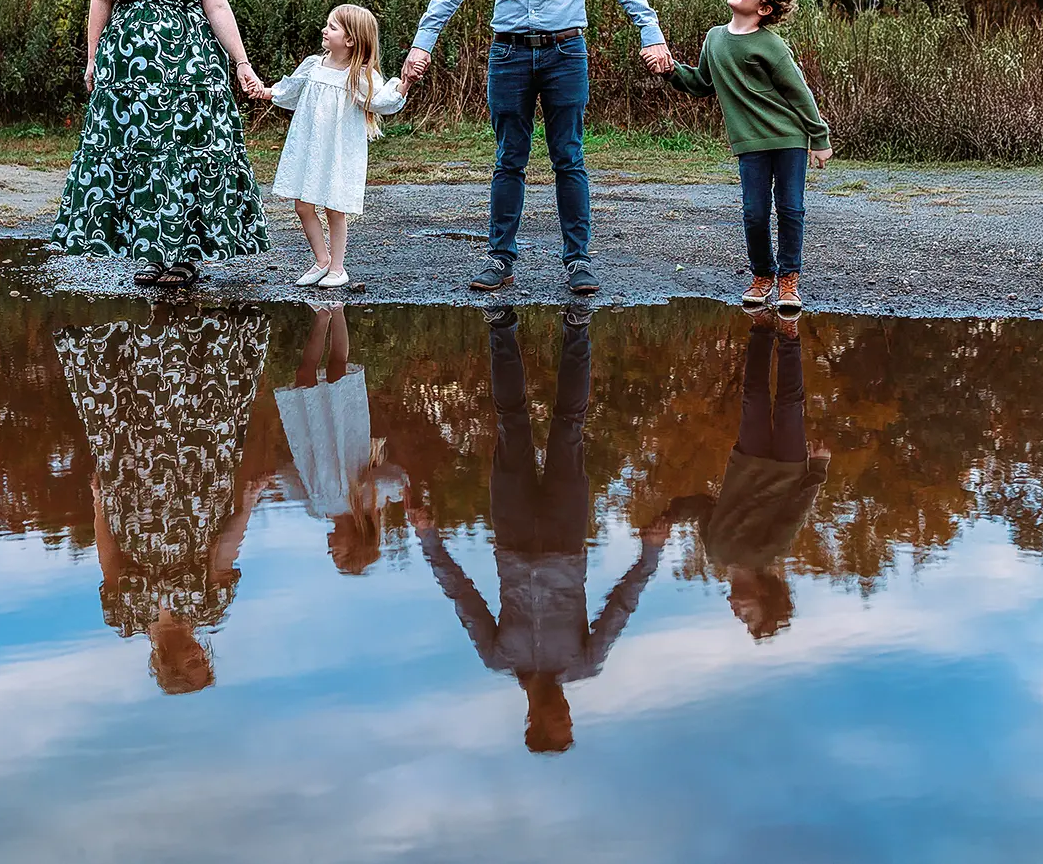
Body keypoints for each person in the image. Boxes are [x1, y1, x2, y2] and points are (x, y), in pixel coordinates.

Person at [400, 0, 672, 297]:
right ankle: (501, 259)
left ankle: (578, 261)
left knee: (569, 157)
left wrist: (650, 33)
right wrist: (423, 42)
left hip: (567, 52)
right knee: (509, 160)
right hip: (508, 54)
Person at [408, 304, 668, 753]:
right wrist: (649, 554)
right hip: (566, 534)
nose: (567, 712)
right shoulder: (585, 662)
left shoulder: (498, 656)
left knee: (512, 423)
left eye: (559, 721)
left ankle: (502, 328)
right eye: (570, 720)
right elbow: (620, 608)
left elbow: (464, 596)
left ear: (534, 720)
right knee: (569, 427)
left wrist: (430, 538)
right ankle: (577, 328)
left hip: (511, 529)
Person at [51, 0, 272, 288]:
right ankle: (150, 254)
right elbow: (100, 2)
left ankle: (187, 257)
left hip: (189, 75)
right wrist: (93, 59)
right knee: (141, 161)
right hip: (125, 76)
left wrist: (242, 63)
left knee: (185, 161)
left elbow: (218, 7)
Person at [56, 306, 272, 694]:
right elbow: (223, 553)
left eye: (192, 665)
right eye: (202, 662)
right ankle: (192, 332)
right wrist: (249, 501)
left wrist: (98, 500)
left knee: (134, 421)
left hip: (132, 501)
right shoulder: (210, 608)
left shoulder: (123, 617)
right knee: (197, 415)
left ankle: (140, 337)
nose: (199, 656)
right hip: (197, 499)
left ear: (168, 666)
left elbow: (109, 559)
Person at [660, 0, 833, 312]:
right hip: (749, 143)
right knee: (754, 212)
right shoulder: (714, 39)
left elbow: (798, 92)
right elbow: (701, 83)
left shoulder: (771, 46)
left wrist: (819, 137)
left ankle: (789, 281)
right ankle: (762, 275)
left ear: (764, 7)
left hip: (788, 139)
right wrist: (670, 71)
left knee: (790, 209)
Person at [671, 314, 830, 641]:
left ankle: (760, 329)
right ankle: (788, 336)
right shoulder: (768, 553)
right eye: (748, 616)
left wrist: (671, 515)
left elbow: (704, 507)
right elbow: (794, 512)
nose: (737, 613)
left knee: (753, 397)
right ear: (763, 596)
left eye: (741, 619)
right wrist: (818, 469)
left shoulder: (714, 553)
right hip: (787, 468)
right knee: (789, 404)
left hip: (747, 461)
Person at [261, 4, 408, 288]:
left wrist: (405, 85)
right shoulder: (314, 65)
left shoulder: (359, 75)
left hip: (338, 150)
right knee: (302, 205)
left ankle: (338, 268)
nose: (324, 30)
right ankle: (322, 260)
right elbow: (291, 91)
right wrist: (266, 92)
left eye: (332, 27)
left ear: (350, 39)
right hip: (308, 145)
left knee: (333, 207)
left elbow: (381, 102)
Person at [274, 304, 406, 575]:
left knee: (304, 377)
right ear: (357, 540)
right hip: (348, 437)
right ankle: (336, 311)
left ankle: (322, 318)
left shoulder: (318, 509)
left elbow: (296, 479)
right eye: (338, 552)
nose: (329, 548)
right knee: (337, 372)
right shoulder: (368, 504)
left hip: (313, 437)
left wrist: (270, 480)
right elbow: (396, 478)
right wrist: (375, 482)